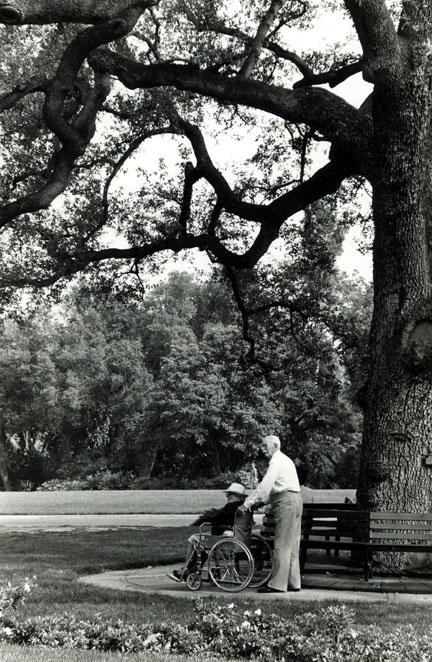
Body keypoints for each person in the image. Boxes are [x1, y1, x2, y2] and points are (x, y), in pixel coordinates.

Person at [240, 434, 302, 593]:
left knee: (281, 543)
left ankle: (277, 585)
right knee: (292, 543)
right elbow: (279, 488)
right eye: (262, 445)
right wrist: (262, 502)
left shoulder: (276, 461)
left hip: (286, 503)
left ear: (275, 446)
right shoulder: (285, 460)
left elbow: (266, 485)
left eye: (265, 445)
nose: (262, 448)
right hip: (295, 500)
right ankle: (293, 582)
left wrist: (247, 503)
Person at [167, 482, 248, 582]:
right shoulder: (244, 507)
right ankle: (191, 569)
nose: (227, 497)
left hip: (227, 537)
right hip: (239, 536)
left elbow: (216, 519)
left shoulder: (231, 507)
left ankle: (187, 570)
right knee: (202, 544)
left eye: (229, 494)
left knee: (194, 539)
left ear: (237, 497)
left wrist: (205, 520)